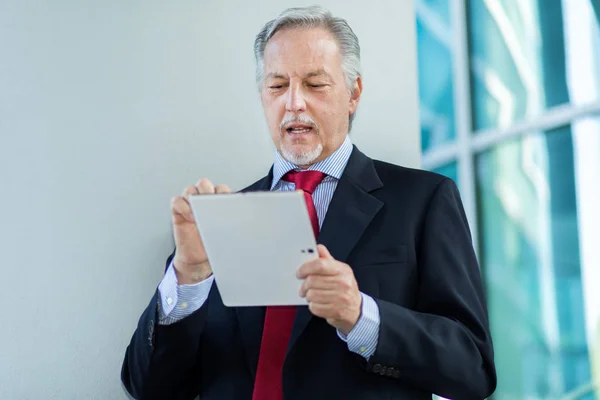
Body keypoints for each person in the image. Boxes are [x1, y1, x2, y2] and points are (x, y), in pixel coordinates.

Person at [121, 6, 496, 400]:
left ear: (353, 93)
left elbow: (472, 368)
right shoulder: (216, 220)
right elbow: (147, 388)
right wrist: (187, 276)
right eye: (277, 85)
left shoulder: (423, 200)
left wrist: (362, 317)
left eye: (315, 84)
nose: (294, 103)